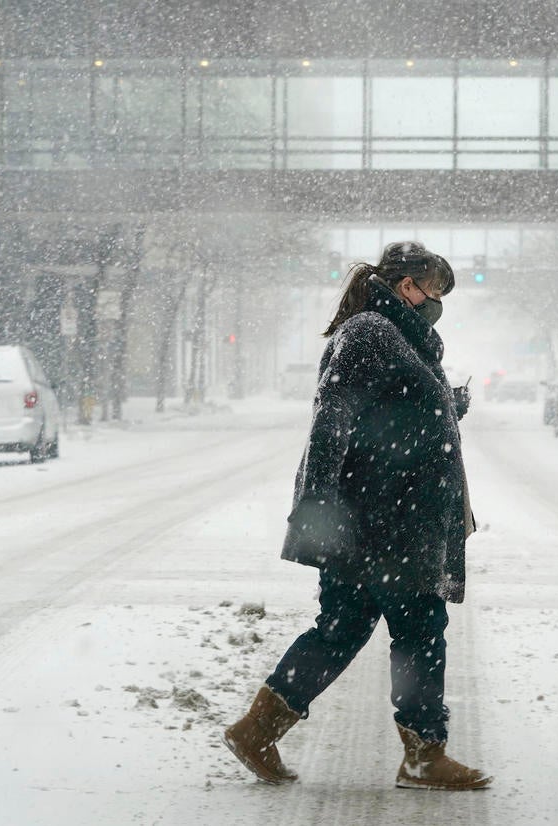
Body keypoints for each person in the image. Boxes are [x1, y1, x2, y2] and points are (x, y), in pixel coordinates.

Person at [223, 241, 489, 790]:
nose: (437, 303)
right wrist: (318, 499)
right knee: (420, 630)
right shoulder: (372, 333)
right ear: (404, 285)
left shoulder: (396, 336)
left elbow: (387, 410)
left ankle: (258, 728)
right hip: (387, 518)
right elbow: (333, 416)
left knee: (342, 628)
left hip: (381, 516)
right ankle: (423, 755)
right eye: (433, 291)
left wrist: (443, 408)